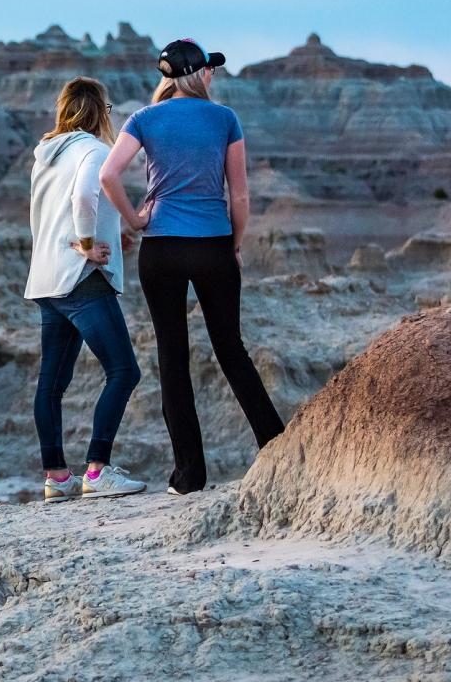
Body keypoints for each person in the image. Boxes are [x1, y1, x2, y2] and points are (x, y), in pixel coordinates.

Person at [98, 39, 284, 495]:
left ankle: (189, 476)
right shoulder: (225, 119)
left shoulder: (144, 118)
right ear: (199, 74)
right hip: (213, 245)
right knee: (231, 350)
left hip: (160, 248)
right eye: (209, 69)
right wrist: (235, 243)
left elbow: (108, 175)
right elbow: (239, 195)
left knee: (173, 357)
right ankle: (276, 448)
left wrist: (135, 219)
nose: (213, 75)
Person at [24, 77, 147, 502]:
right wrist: (88, 245)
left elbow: (54, 212)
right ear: (98, 111)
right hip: (80, 280)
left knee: (52, 383)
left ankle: (57, 478)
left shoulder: (45, 156)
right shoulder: (95, 150)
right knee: (124, 371)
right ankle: (97, 470)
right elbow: (82, 200)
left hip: (46, 279)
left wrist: (105, 237)